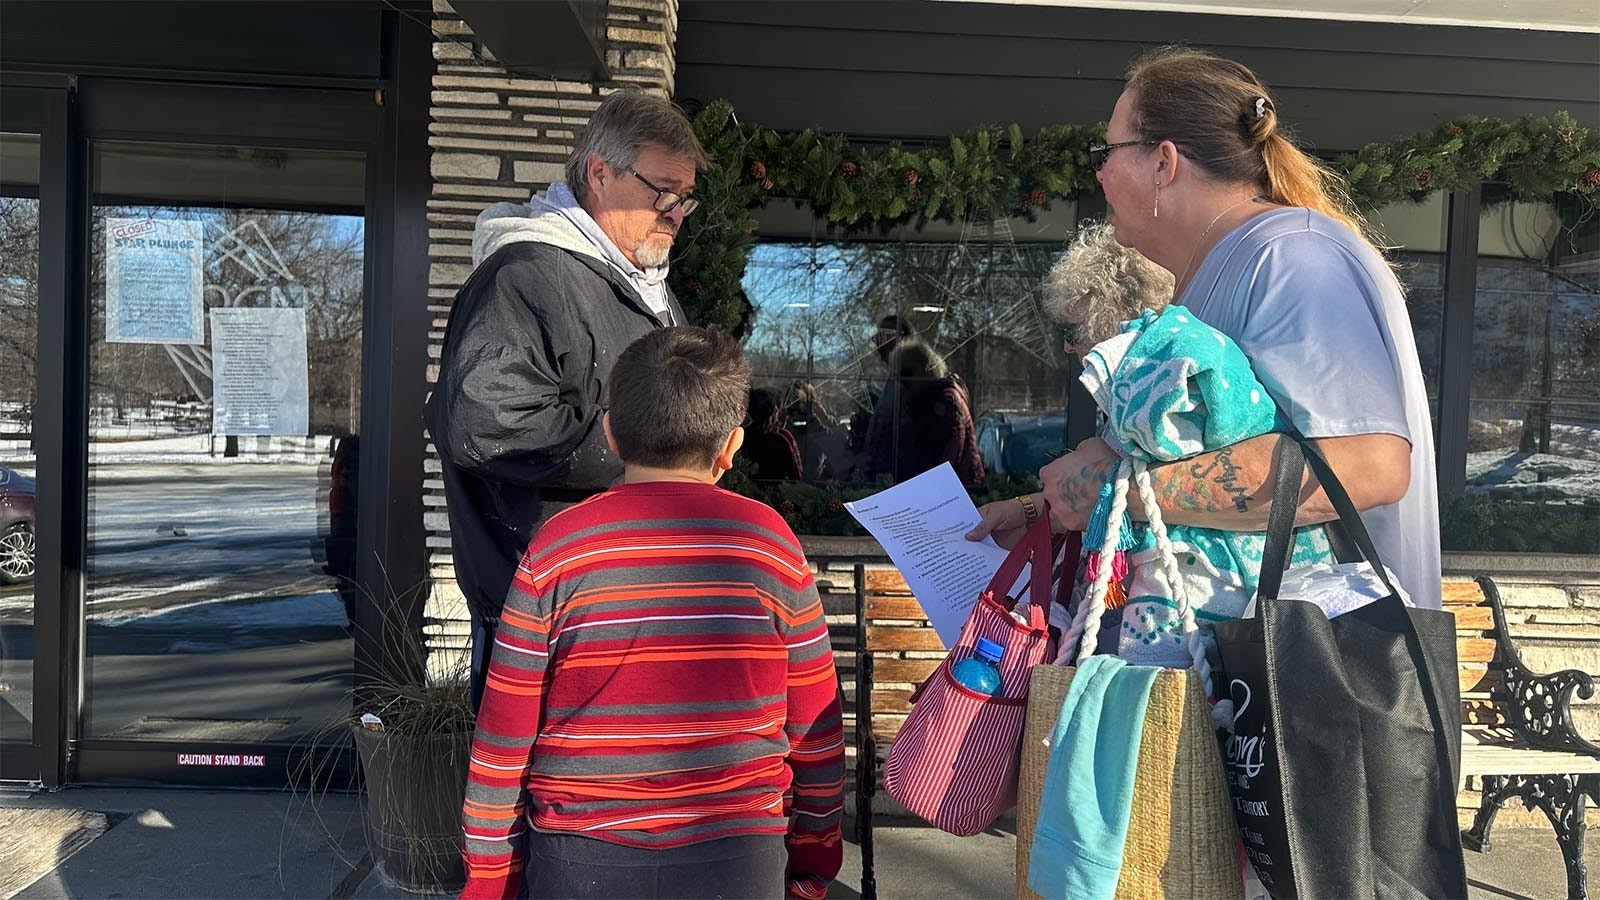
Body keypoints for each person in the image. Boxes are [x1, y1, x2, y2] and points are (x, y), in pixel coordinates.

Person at [970, 46, 1440, 611]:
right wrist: (1043, 508)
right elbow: (1188, 466)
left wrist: (1111, 489)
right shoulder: (1231, 266)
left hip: (1307, 677)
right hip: (1248, 672)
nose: (1099, 173)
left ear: (1164, 163)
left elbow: (1368, 465)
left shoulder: (1292, 256)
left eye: (1107, 151)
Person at [460, 327, 845, 900]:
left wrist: (491, 880)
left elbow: (503, 737)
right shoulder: (769, 544)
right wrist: (815, 858)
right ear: (731, 448)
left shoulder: (556, 548)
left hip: (580, 856)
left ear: (610, 433)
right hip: (738, 852)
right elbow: (816, 727)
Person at [426, 91, 710, 708]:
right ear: (599, 174)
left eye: (685, 197)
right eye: (661, 191)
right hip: (547, 615)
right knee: (545, 797)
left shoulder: (643, 286)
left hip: (618, 598)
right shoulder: (526, 274)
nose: (676, 211)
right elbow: (484, 423)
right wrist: (642, 449)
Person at [867, 339, 984, 487]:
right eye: (897, 376)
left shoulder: (946, 401)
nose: (902, 381)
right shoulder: (920, 401)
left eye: (906, 373)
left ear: (926, 369)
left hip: (953, 492)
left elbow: (947, 456)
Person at [745, 386, 804, 481]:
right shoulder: (780, 440)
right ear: (771, 414)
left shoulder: (742, 436)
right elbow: (796, 476)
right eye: (777, 410)